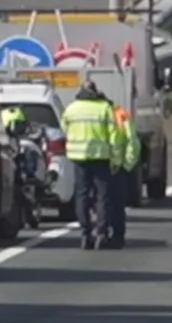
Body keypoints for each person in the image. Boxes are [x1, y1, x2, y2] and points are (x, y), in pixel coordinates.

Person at [60, 81, 116, 250]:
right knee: (102, 196)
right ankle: (101, 232)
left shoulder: (71, 109)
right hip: (100, 156)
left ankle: (85, 231)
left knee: (82, 195)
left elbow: (65, 129)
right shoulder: (104, 108)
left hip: (79, 157)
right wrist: (115, 158)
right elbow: (113, 134)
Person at [101, 105, 140, 250]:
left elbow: (132, 141)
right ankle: (107, 234)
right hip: (107, 165)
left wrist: (126, 164)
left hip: (111, 167)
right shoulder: (115, 114)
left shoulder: (120, 114)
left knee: (112, 203)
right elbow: (132, 141)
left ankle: (114, 235)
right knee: (107, 203)